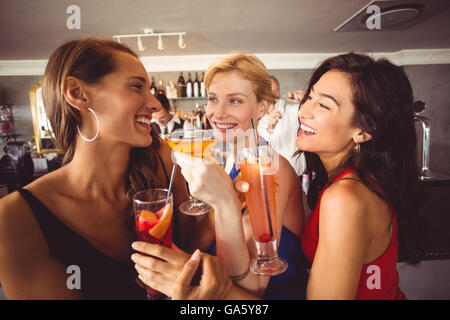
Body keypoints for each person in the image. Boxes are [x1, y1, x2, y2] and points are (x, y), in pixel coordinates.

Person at [133, 52, 423, 300]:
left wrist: (197, 277)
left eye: (323, 104)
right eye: (309, 98)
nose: (303, 111)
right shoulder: (347, 181)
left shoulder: (337, 193)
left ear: (363, 131)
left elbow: (254, 284)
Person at [0, 38, 190, 299]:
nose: (156, 104)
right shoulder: (15, 218)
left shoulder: (163, 162)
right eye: (137, 87)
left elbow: (196, 245)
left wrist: (229, 204)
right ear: (78, 93)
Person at [132, 52, 307, 300]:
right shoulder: (229, 162)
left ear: (263, 107)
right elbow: (197, 241)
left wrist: (224, 202)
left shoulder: (271, 168)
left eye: (235, 101)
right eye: (213, 99)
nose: (218, 112)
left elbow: (253, 285)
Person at [258, 76, 306, 176]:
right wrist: (269, 129)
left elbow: (313, 111)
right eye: (268, 92)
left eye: (276, 91)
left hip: (298, 174)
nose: (273, 96)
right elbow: (259, 150)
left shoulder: (293, 111)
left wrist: (305, 99)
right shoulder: (257, 120)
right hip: (272, 176)